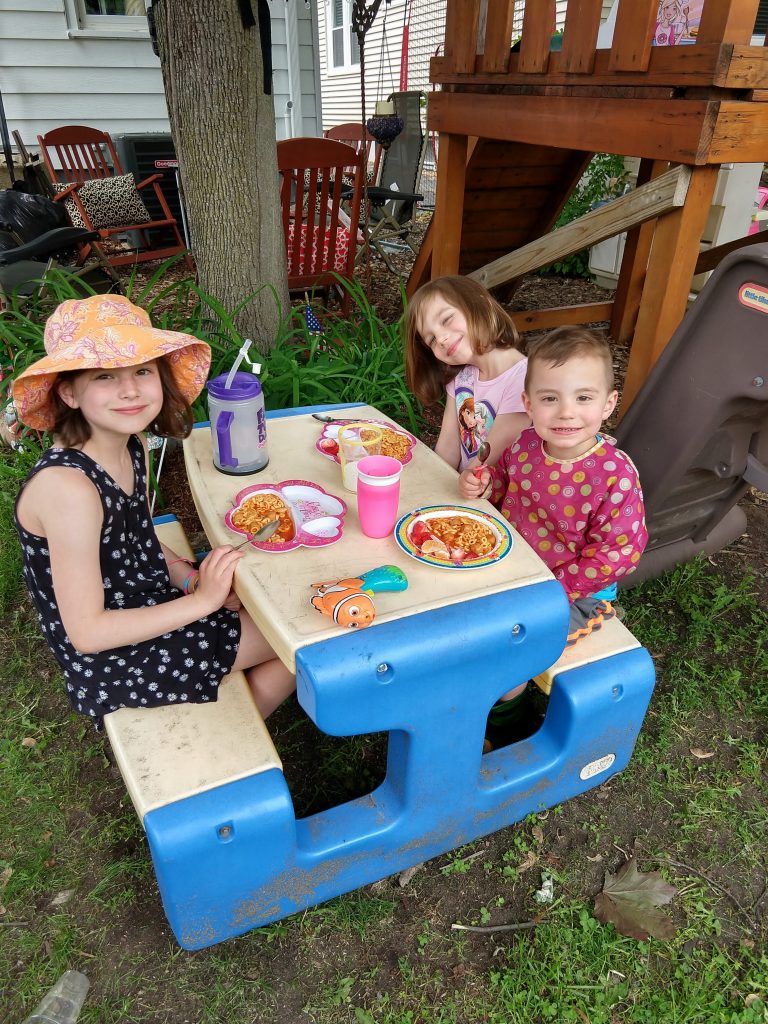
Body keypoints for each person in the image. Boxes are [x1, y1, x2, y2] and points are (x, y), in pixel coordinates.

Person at [12, 295, 295, 730]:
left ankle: (230, 723)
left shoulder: (133, 444)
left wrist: (188, 578)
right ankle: (217, 742)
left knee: (276, 609)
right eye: (105, 376)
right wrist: (202, 602)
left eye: (142, 371)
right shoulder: (68, 490)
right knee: (290, 630)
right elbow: (87, 634)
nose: (130, 390)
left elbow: (136, 539)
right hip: (110, 657)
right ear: (68, 392)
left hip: (146, 601)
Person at [459, 327, 648, 748]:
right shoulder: (526, 444)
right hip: (514, 568)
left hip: (577, 593)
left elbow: (617, 554)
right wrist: (485, 484)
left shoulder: (614, 474)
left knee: (510, 651)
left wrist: (554, 590)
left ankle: (510, 725)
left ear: (608, 404)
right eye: (549, 398)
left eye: (583, 398)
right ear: (528, 404)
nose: (565, 413)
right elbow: (505, 482)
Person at [405, 276, 529, 472]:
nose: (441, 338)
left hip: (501, 490)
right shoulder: (461, 378)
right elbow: (447, 449)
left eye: (447, 319)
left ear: (482, 305)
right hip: (462, 486)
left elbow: (489, 459)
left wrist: (457, 484)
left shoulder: (523, 379)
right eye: (432, 340)